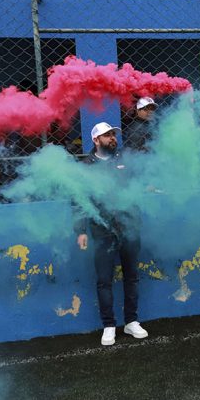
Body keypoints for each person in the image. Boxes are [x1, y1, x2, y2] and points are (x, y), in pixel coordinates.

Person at [77, 122, 148, 346]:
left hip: (129, 228)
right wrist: (81, 230)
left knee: (132, 277)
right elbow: (79, 200)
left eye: (113, 135)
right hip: (102, 231)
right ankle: (109, 325)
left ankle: (131, 321)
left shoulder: (124, 161)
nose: (112, 138)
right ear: (95, 140)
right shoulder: (85, 166)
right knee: (104, 280)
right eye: (107, 135)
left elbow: (137, 186)